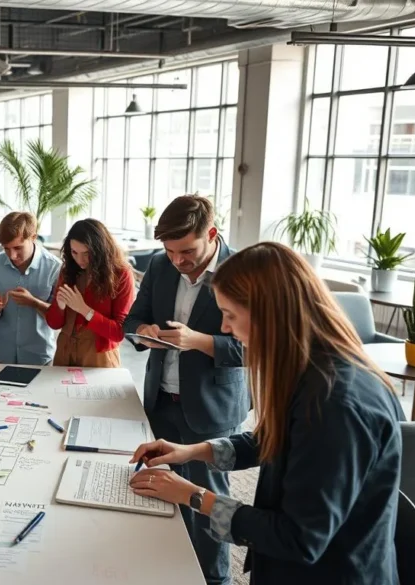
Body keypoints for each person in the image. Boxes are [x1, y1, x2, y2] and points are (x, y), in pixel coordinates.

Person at [130, 242, 404, 585]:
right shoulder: (311, 370)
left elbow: (298, 538)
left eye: (230, 315)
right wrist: (193, 451)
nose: (226, 329)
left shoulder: (336, 405)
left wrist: (193, 495)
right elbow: (277, 438)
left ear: (268, 313)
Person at [123, 194, 247, 585]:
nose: (179, 260)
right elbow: (134, 319)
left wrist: (199, 341)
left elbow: (253, 344)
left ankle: (215, 579)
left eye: (187, 250)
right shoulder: (160, 265)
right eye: (170, 251)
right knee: (160, 492)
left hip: (211, 407)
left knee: (207, 502)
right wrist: (143, 334)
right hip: (159, 399)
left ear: (212, 233)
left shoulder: (242, 270)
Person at [45, 219, 133, 368]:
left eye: (87, 253)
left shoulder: (121, 274)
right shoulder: (68, 271)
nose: (80, 260)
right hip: (64, 351)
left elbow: (119, 332)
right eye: (74, 252)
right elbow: (54, 323)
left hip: (99, 356)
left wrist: (84, 310)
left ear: (100, 250)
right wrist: (59, 307)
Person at [0, 211, 61, 365]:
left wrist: (34, 302)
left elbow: (58, 318)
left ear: (33, 237)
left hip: (38, 356)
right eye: (6, 248)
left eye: (18, 248)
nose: (12, 255)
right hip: (1, 353)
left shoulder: (55, 267)